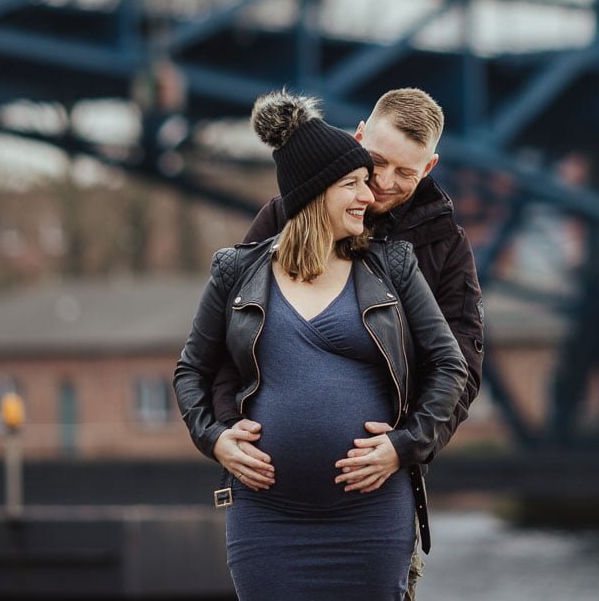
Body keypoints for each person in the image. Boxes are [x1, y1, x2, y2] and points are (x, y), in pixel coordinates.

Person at [175, 91, 467, 601]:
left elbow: (457, 365)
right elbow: (218, 360)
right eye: (370, 168)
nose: (378, 188)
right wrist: (222, 437)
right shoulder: (253, 252)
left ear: (430, 166)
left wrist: (405, 444)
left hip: (373, 507)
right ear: (356, 140)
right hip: (269, 515)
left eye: (407, 172)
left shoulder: (421, 253)